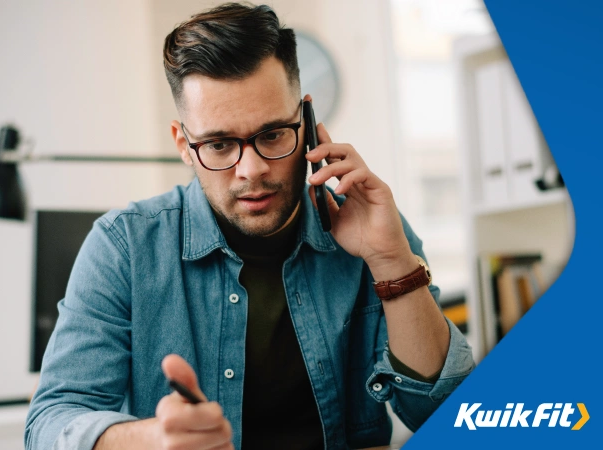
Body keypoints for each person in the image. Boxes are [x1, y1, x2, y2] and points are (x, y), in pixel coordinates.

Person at [25, 3, 475, 450]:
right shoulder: (123, 248)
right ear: (184, 144)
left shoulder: (378, 230)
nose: (251, 170)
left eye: (273, 134)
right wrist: (149, 439)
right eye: (220, 144)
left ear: (308, 122)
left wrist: (393, 263)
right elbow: (49, 423)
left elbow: (447, 417)